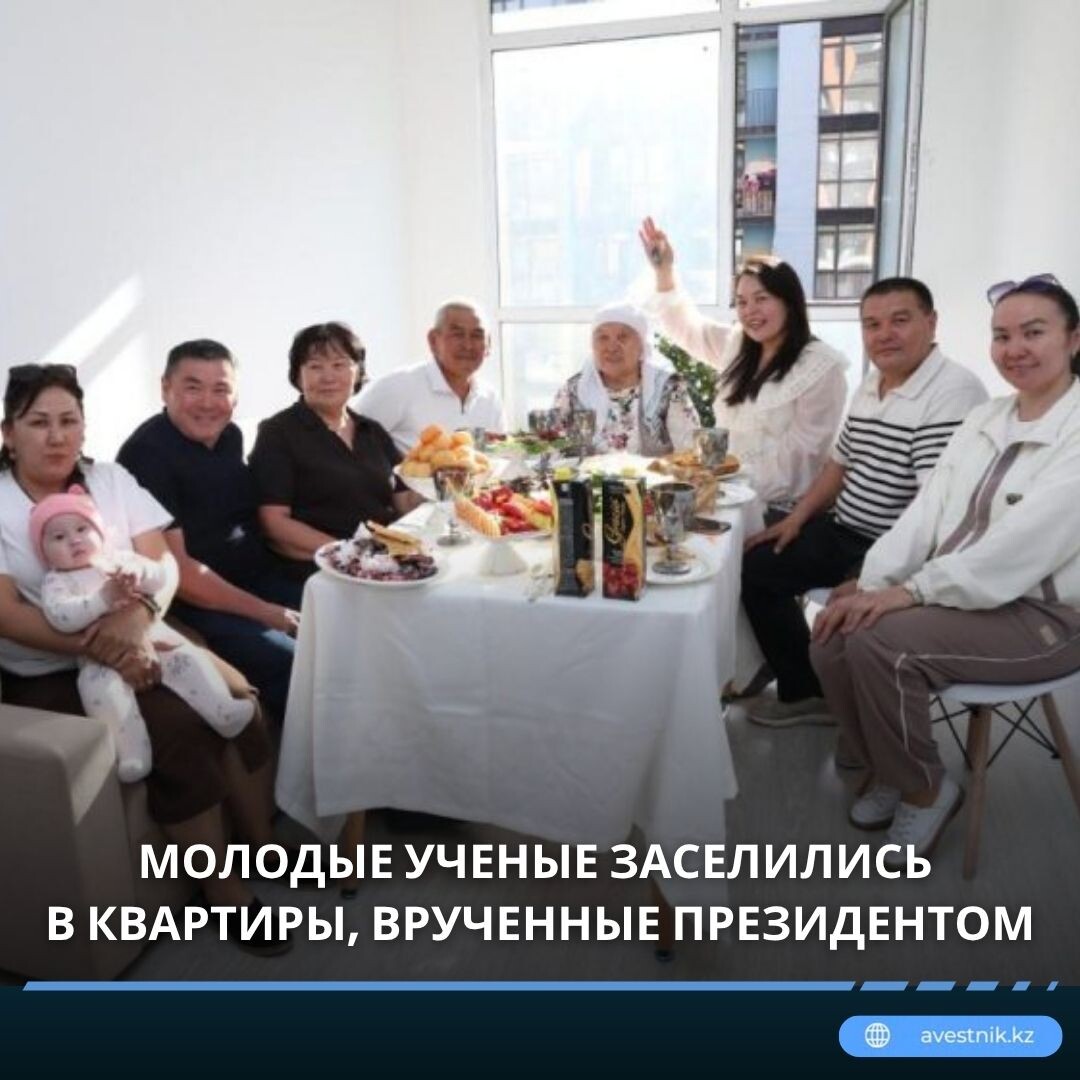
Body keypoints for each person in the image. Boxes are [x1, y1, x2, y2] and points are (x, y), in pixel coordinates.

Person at [0, 364, 287, 954]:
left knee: (237, 695)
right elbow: (6, 615)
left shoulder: (108, 479)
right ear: (8, 433)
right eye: (38, 423)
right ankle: (227, 898)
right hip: (52, 667)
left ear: (84, 427)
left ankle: (263, 846)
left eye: (68, 421)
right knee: (180, 729)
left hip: (144, 631)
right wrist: (104, 646)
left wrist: (136, 624)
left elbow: (162, 564)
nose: (56, 436)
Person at [809, 275, 1080, 864]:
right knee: (832, 629)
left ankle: (926, 789)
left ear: (1073, 339)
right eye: (1002, 336)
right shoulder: (987, 418)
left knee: (881, 643)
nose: (1015, 349)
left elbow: (1022, 546)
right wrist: (875, 582)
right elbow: (925, 512)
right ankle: (891, 768)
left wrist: (912, 591)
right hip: (961, 594)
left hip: (1045, 616)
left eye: (1034, 333)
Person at [739, 277, 989, 725]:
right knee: (753, 564)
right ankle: (805, 690)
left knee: (840, 612)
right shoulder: (874, 382)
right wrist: (795, 520)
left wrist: (873, 576)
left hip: (897, 548)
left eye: (900, 320)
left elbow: (934, 509)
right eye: (872, 324)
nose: (884, 334)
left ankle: (832, 698)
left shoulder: (953, 392)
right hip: (845, 530)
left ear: (931, 322)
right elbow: (839, 464)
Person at [117, 340, 299, 726]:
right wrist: (268, 613)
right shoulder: (147, 455)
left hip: (257, 577)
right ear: (165, 388)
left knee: (341, 612)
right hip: (196, 604)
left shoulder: (229, 435)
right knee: (291, 658)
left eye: (221, 389)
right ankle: (304, 758)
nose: (207, 403)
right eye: (193, 387)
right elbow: (180, 573)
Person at [32, 485, 253, 781]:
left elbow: (160, 576)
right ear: (44, 553)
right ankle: (132, 752)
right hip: (101, 658)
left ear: (100, 533)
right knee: (100, 693)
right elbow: (61, 617)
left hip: (152, 637)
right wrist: (102, 599)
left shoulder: (119, 560)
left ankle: (222, 709)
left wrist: (142, 573)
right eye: (58, 537)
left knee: (188, 658)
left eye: (82, 529)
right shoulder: (57, 582)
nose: (74, 540)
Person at [639, 216, 848, 508]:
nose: (750, 311)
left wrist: (721, 485)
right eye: (742, 302)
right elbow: (686, 328)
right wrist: (664, 269)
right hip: (726, 495)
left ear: (789, 301)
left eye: (761, 299)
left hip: (784, 510)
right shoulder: (737, 345)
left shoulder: (820, 367)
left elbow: (802, 461)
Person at [249, 322, 419, 581]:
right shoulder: (278, 432)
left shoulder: (371, 430)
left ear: (358, 372)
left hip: (383, 564)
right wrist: (350, 553)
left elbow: (404, 501)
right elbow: (274, 523)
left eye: (339, 365)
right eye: (315, 367)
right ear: (298, 376)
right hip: (318, 572)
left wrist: (450, 487)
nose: (328, 377)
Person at [354, 300, 506, 453]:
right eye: (457, 334)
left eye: (477, 336)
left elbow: (497, 456)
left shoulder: (490, 398)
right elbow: (348, 443)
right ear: (433, 340)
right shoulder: (397, 387)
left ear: (489, 345)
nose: (468, 345)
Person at [553, 302, 700, 455]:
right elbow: (549, 452)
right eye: (603, 337)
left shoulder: (667, 388)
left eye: (623, 337)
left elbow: (690, 452)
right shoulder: (573, 390)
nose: (611, 347)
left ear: (642, 345)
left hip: (656, 472)